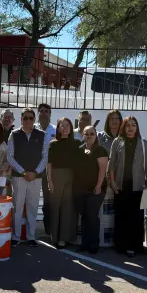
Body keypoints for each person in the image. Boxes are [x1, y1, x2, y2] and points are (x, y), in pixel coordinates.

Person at [108, 116, 147, 257]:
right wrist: (113, 182)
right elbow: (111, 164)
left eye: (133, 125)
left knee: (136, 218)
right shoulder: (117, 141)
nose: (130, 128)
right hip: (120, 185)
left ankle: (135, 246)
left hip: (138, 186)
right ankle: (121, 245)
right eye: (128, 125)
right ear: (123, 127)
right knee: (121, 217)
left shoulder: (144, 143)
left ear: (137, 127)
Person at [8, 108, 51, 247]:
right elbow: (10, 156)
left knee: (32, 207)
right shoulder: (14, 134)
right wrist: (23, 172)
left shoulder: (43, 135)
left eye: (30, 118)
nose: (28, 120)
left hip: (36, 177)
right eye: (25, 118)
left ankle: (31, 236)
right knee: (17, 207)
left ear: (34, 119)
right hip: (19, 177)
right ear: (21, 119)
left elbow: (45, 157)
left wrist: (36, 172)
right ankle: (16, 236)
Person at [74, 126, 108, 254]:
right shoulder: (80, 150)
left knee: (92, 216)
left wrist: (98, 186)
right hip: (81, 189)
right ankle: (84, 244)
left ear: (96, 135)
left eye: (92, 134)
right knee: (84, 217)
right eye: (86, 134)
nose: (89, 136)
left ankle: (93, 245)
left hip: (95, 189)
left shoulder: (101, 151)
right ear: (82, 135)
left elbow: (102, 170)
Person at [46, 117, 80, 248]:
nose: (64, 127)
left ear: (71, 128)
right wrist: (49, 181)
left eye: (67, 125)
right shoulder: (53, 144)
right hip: (56, 176)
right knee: (55, 207)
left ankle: (64, 238)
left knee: (68, 208)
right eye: (62, 125)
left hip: (72, 177)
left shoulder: (77, 143)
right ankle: (55, 237)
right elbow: (49, 164)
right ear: (58, 128)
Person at [34, 103, 56, 236]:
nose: (43, 113)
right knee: (33, 198)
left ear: (50, 114)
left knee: (48, 199)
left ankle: (48, 226)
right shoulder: (33, 128)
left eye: (46, 111)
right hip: (35, 168)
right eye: (41, 111)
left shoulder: (55, 130)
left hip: (50, 170)